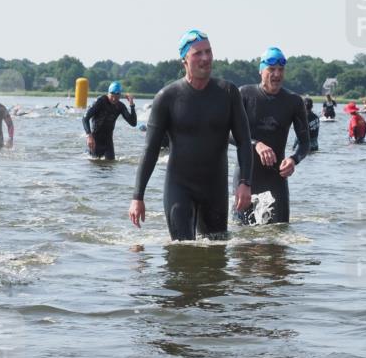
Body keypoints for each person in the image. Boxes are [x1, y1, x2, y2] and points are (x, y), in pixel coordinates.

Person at [129, 30, 253, 240]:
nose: (205, 58)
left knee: (215, 256)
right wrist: (137, 197)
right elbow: (150, 150)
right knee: (181, 253)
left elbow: (243, 142)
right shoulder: (167, 97)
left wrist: (245, 183)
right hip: (179, 187)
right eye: (198, 53)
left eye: (208, 52)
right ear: (184, 60)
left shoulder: (228, 93)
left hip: (215, 189)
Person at [238, 47, 309, 224]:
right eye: (272, 69)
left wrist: (293, 160)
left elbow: (305, 143)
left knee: (279, 236)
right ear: (261, 70)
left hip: (277, 178)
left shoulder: (293, 101)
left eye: (281, 70)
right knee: (244, 240)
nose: (277, 74)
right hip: (246, 177)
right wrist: (257, 144)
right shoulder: (244, 94)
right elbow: (229, 133)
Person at [83, 81, 137, 159]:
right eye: (112, 95)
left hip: (108, 142)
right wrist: (89, 136)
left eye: (117, 96)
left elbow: (133, 123)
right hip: (95, 140)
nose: (114, 99)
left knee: (110, 166)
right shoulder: (100, 101)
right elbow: (85, 118)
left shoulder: (120, 106)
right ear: (108, 93)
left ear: (120, 95)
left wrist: (132, 104)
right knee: (95, 167)